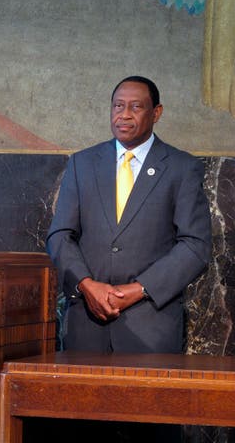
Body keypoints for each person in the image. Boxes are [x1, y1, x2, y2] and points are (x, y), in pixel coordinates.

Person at [46, 75, 212, 354]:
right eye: (118, 106)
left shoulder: (181, 167)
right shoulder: (82, 164)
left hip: (150, 328)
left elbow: (195, 246)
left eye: (136, 107)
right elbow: (60, 235)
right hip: (86, 325)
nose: (124, 115)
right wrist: (88, 286)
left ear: (156, 113)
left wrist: (136, 290)